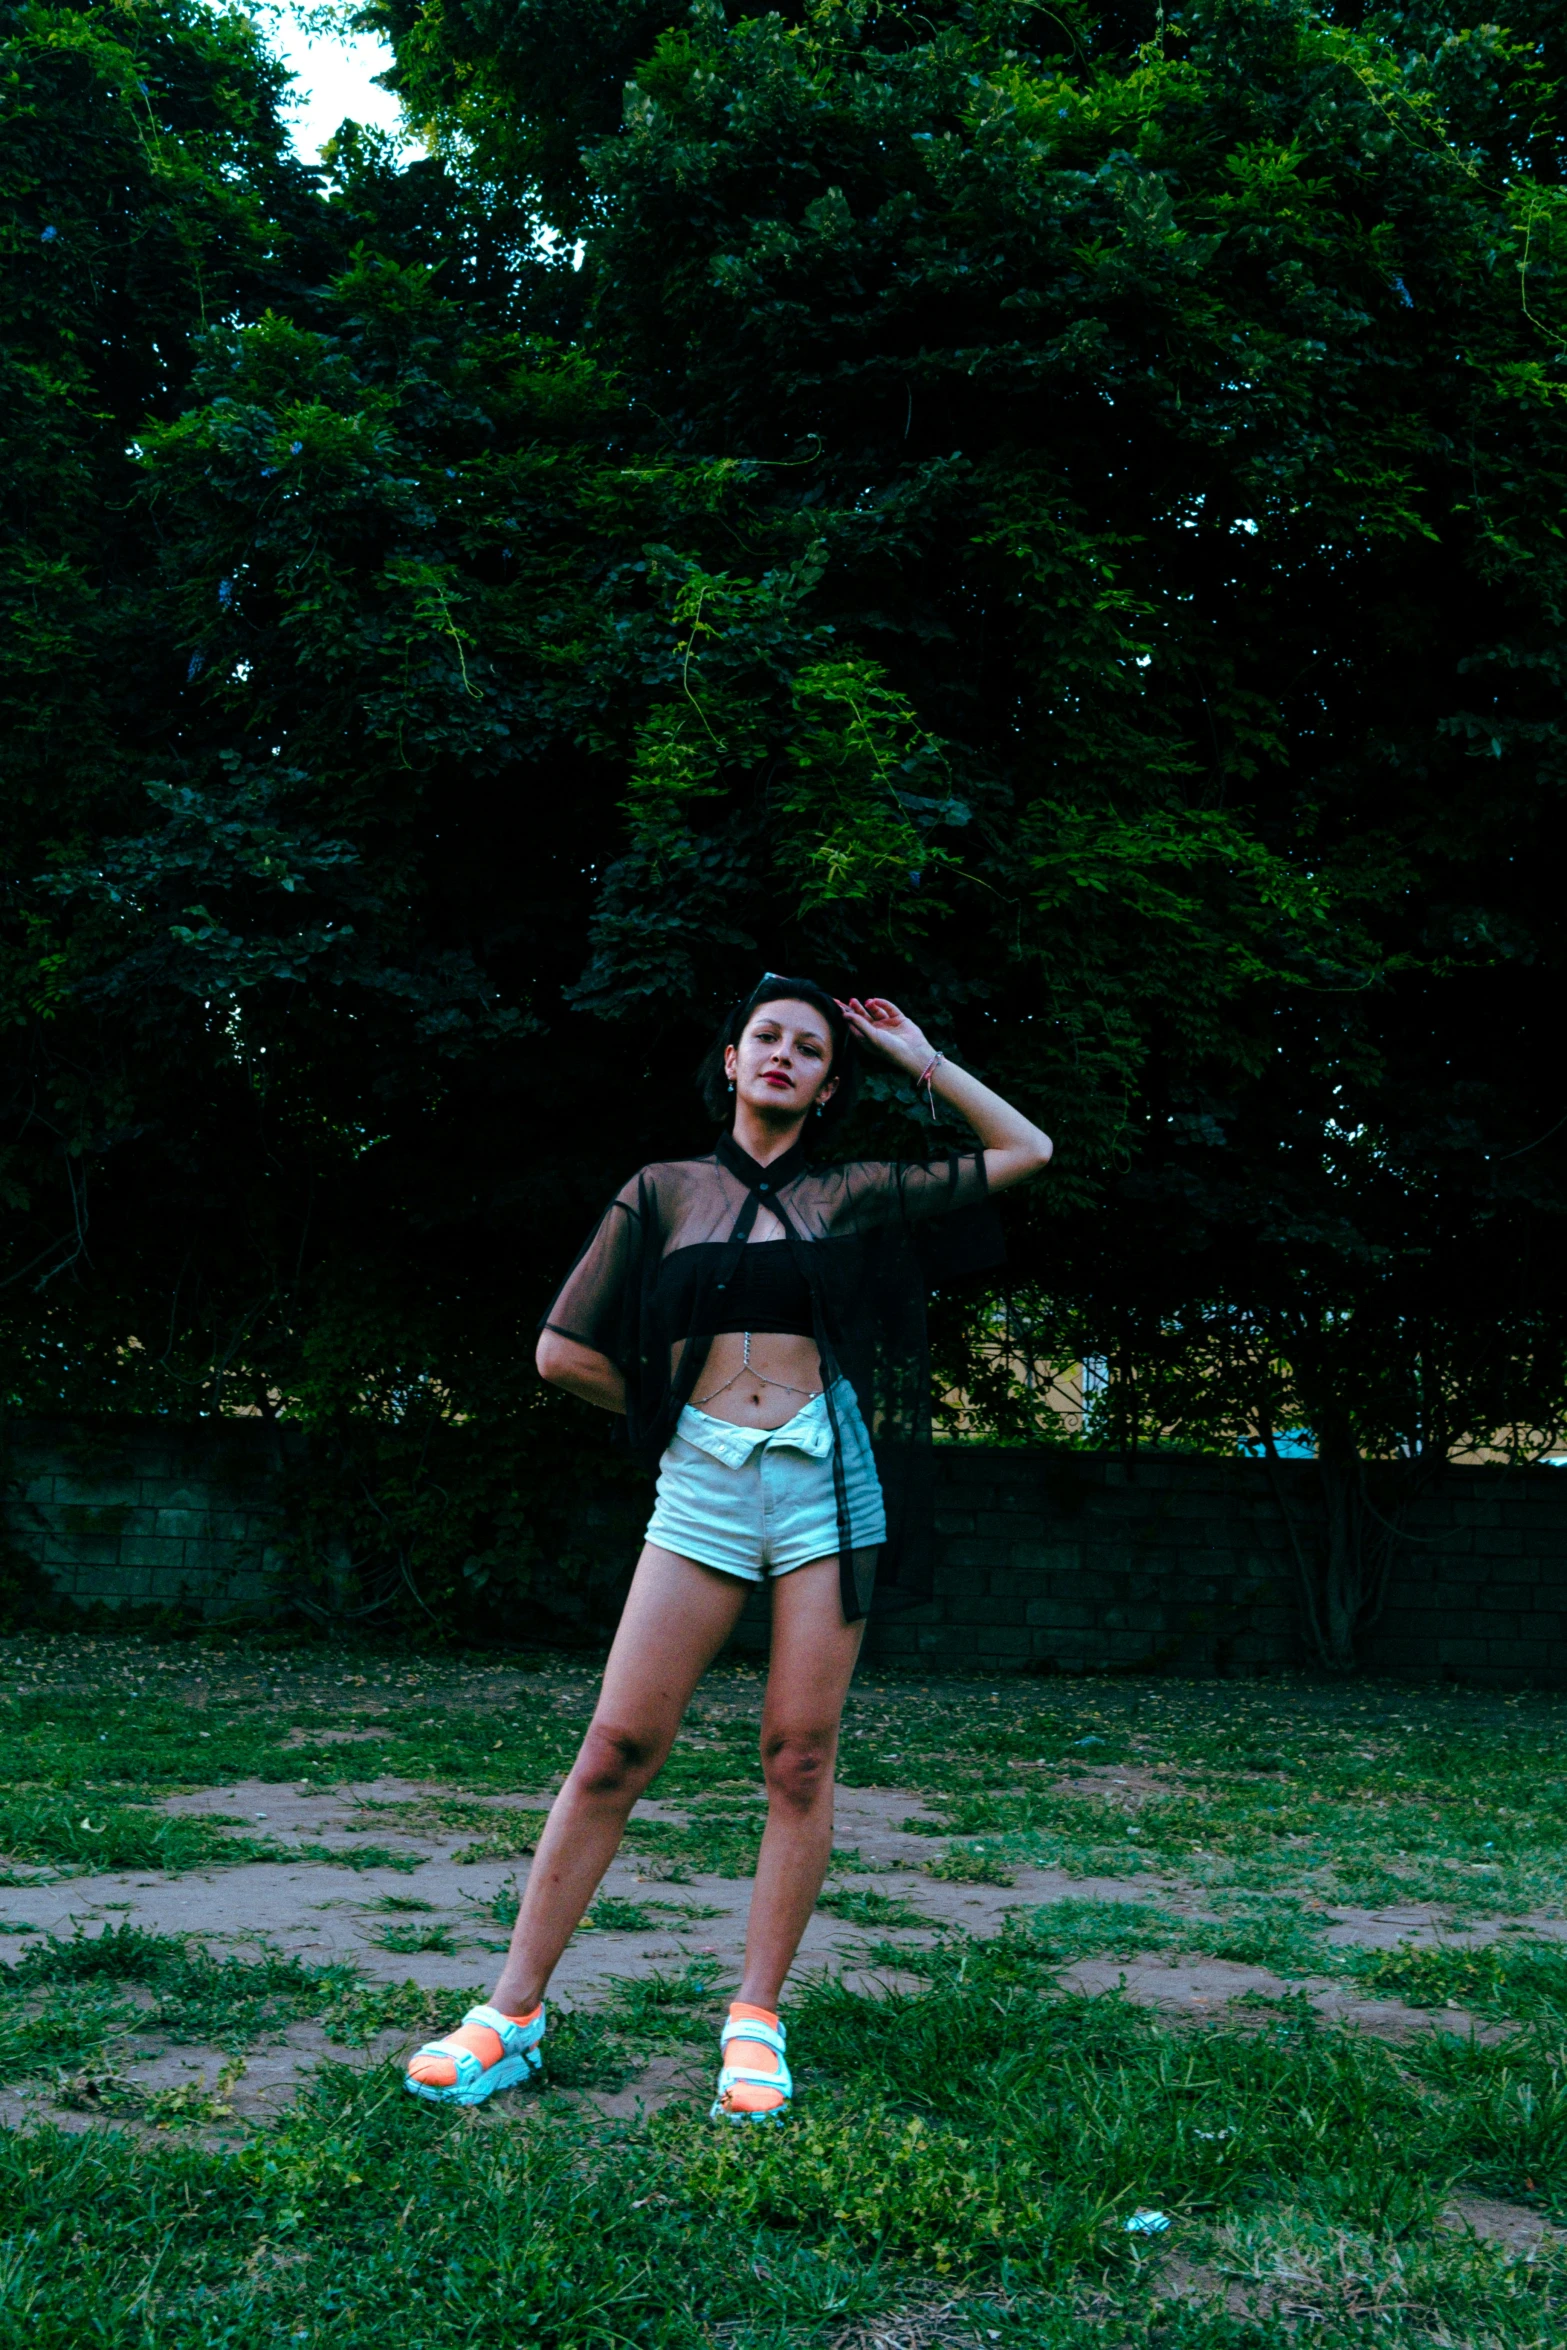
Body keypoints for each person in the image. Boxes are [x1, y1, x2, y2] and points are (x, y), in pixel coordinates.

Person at [404, 978, 1052, 2121]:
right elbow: (562, 1349)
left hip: (826, 1486)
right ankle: (510, 2016)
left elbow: (1026, 1148)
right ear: (732, 1059)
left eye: (809, 1048)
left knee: (798, 1756)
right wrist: (667, 1412)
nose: (785, 1057)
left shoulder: (847, 1192)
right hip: (699, 1486)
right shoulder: (664, 1191)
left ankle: (754, 2019)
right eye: (768, 1039)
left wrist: (923, 1057)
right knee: (614, 1745)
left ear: (827, 1082)